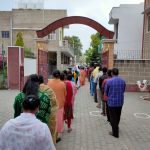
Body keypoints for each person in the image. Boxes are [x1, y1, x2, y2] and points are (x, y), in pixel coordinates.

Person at [105, 68, 126, 138]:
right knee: (118, 116)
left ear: (112, 73)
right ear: (118, 73)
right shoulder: (123, 81)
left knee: (112, 118)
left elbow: (106, 92)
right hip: (120, 102)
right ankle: (116, 127)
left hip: (111, 103)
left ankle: (115, 133)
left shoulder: (109, 82)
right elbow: (123, 90)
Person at [48, 70, 66, 142]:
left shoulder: (48, 82)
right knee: (58, 121)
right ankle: (55, 137)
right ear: (59, 76)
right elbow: (64, 94)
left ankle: (50, 136)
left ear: (52, 75)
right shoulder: (62, 84)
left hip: (50, 104)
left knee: (51, 121)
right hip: (59, 105)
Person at [38, 75, 58, 144]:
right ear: (43, 81)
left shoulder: (35, 90)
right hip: (50, 115)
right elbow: (55, 103)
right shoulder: (49, 89)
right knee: (51, 132)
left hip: (38, 116)